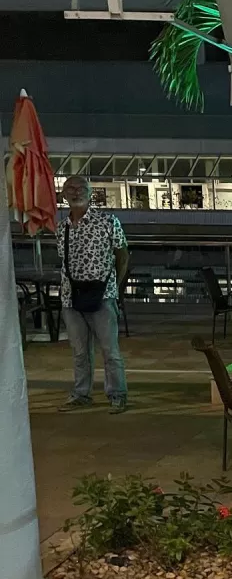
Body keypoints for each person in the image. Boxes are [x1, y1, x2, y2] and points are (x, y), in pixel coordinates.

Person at [57, 176, 130, 413]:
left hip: (103, 295)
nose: (76, 192)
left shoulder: (108, 221)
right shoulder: (62, 227)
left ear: (90, 193)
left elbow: (122, 255)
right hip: (71, 297)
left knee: (110, 350)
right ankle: (81, 393)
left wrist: (114, 287)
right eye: (70, 188)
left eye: (81, 188)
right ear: (64, 194)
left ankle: (117, 394)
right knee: (79, 351)